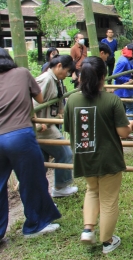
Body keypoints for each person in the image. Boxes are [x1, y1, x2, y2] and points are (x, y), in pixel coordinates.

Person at [64, 56, 133, 254]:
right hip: (108, 159)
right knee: (108, 200)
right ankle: (107, 242)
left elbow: (69, 128)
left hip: (84, 155)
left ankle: (88, 229)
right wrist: (132, 125)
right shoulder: (112, 100)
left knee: (92, 190)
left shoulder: (72, 100)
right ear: (103, 76)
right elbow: (124, 132)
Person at [0, 48, 61, 239]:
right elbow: (40, 98)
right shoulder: (22, 73)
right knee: (32, 180)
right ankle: (35, 224)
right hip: (19, 134)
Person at [34, 55, 78, 198]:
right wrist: (38, 121)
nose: (66, 75)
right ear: (59, 66)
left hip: (48, 122)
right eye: (66, 71)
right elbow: (31, 102)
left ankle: (40, 192)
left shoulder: (56, 80)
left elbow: (57, 101)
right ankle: (60, 186)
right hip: (43, 127)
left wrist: (60, 113)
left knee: (41, 162)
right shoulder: (46, 79)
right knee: (65, 152)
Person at [113, 44, 133, 130]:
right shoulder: (123, 61)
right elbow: (116, 75)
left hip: (124, 90)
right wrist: (127, 80)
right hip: (123, 90)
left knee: (125, 109)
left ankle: (125, 128)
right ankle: (128, 128)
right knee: (132, 108)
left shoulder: (125, 59)